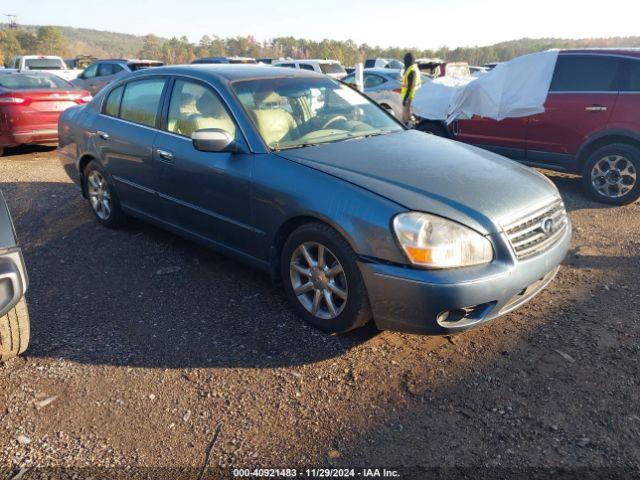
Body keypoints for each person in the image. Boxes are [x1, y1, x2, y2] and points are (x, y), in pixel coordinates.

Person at [401, 52, 422, 125]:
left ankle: (409, 130)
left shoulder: (411, 70)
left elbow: (410, 86)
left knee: (407, 118)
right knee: (409, 116)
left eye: (405, 60)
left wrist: (406, 98)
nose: (404, 62)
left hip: (410, 97)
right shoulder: (414, 68)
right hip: (414, 95)